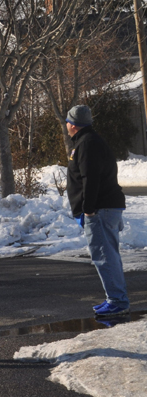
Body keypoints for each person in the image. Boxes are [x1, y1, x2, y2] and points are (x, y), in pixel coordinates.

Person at [66, 104, 129, 317]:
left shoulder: (87, 144)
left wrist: (89, 209)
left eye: (68, 122)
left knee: (104, 255)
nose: (66, 125)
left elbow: (90, 178)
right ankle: (115, 298)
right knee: (108, 254)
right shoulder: (90, 140)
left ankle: (118, 301)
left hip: (100, 209)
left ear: (73, 124)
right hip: (105, 207)